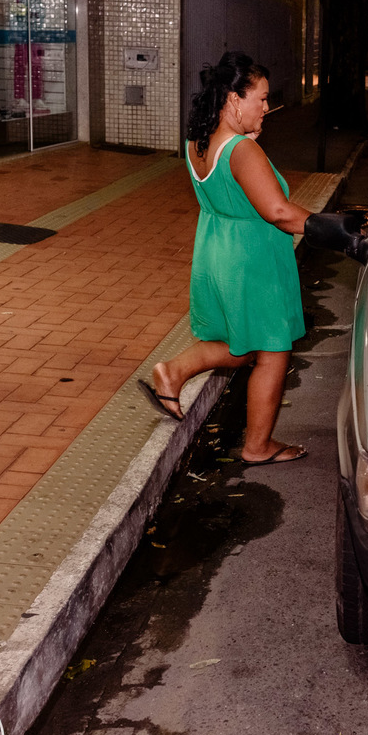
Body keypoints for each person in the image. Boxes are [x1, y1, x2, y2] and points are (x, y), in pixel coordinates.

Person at [138, 51, 313, 466]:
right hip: (252, 260)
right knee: (272, 349)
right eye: (262, 98)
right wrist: (335, 228)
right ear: (235, 99)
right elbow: (279, 212)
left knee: (243, 343)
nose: (267, 108)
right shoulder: (240, 151)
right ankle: (258, 446)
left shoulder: (198, 143)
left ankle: (174, 371)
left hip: (218, 250)